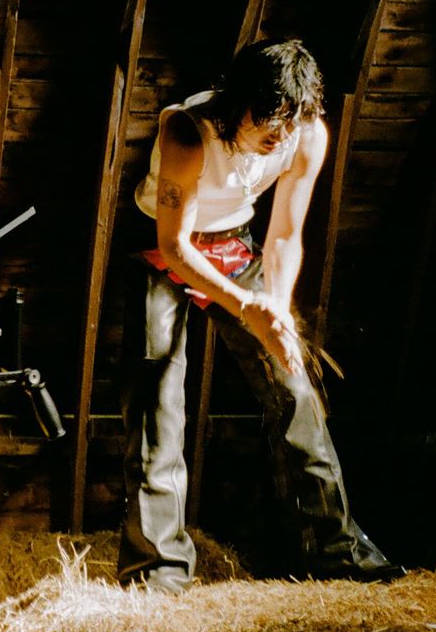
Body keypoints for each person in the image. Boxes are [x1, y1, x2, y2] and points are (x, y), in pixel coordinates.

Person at [118, 38, 401, 593]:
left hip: (233, 244)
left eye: (291, 124)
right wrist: (245, 304)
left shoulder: (307, 133)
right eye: (268, 123)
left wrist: (276, 308)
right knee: (158, 404)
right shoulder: (187, 131)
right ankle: (158, 575)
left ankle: (336, 554)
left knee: (294, 386)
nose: (281, 137)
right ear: (236, 103)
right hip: (163, 248)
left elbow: (286, 236)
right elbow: (175, 248)